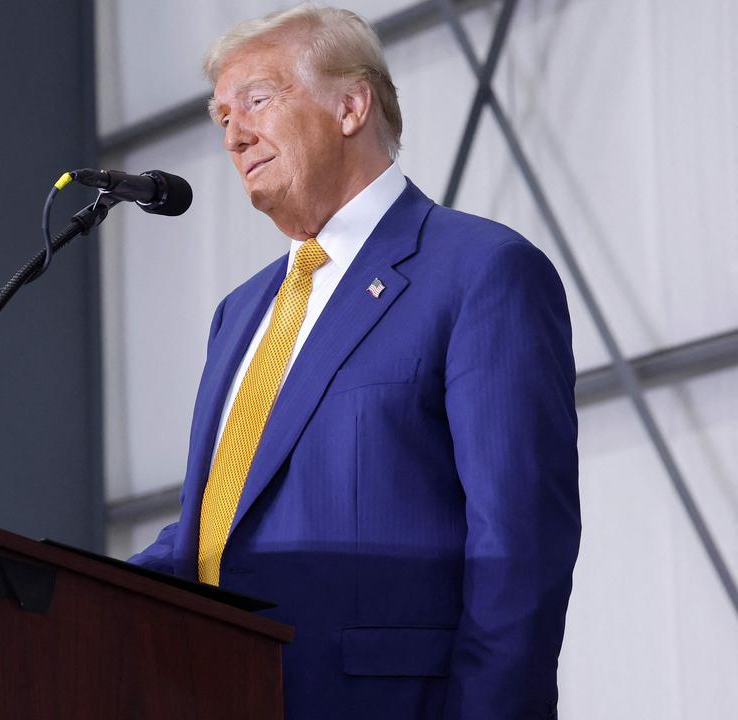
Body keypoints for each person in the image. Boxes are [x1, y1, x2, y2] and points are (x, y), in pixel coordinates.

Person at [128, 5, 581, 719]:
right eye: (221, 117)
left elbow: (520, 547)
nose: (233, 135)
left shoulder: (481, 273)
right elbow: (215, 525)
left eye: (256, 100)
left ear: (350, 105)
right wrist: (33, 587)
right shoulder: (240, 314)